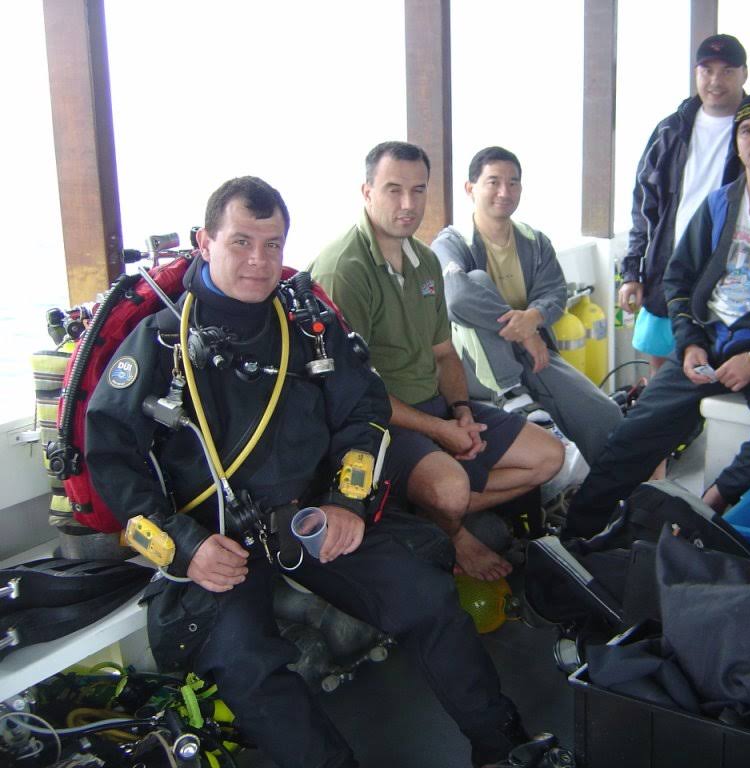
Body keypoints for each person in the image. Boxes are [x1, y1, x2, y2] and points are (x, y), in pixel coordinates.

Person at [87, 177, 531, 768]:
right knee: (247, 667)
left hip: (312, 518)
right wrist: (184, 548)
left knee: (427, 598)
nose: (259, 260)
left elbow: (364, 414)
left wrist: (346, 502)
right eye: (241, 242)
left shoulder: (307, 327)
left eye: (272, 245)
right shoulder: (160, 343)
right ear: (205, 242)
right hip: (216, 541)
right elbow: (111, 459)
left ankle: (504, 747)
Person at [565, 87, 750, 539]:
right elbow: (678, 278)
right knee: (633, 433)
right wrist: (690, 343)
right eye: (746, 130)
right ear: (736, 143)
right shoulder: (719, 204)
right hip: (710, 344)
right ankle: (576, 535)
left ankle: (713, 501)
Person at [310, 142, 562, 582]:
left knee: (548, 457)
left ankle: (431, 510)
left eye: (418, 190)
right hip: (379, 423)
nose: (408, 204)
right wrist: (439, 431)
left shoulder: (425, 260)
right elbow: (354, 394)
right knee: (451, 488)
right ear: (367, 192)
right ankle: (454, 531)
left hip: (435, 405)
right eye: (393, 190)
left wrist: (460, 412)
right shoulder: (344, 268)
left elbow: (444, 353)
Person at [431, 146, 622, 465]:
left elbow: (555, 292)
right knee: (475, 280)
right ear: (470, 188)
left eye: (513, 183)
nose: (504, 192)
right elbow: (457, 298)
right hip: (473, 362)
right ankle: (513, 395)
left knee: (605, 415)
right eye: (493, 182)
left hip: (532, 354)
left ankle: (601, 489)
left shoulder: (534, 241)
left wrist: (534, 316)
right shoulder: (451, 243)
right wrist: (525, 333)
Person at [620, 33, 748, 377]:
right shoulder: (670, 130)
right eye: (707, 70)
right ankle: (658, 410)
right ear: (696, 73)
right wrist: (632, 272)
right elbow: (644, 205)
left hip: (729, 275)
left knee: (714, 369)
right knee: (660, 368)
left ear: (744, 74)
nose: (715, 81)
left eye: (727, 71)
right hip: (668, 268)